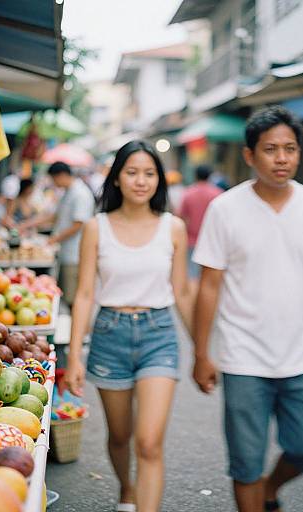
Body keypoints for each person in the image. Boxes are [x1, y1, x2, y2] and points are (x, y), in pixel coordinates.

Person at [191, 106, 303, 512]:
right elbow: (209, 286)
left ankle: (271, 488)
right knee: (245, 463)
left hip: (302, 354)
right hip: (243, 356)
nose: (282, 158)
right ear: (250, 156)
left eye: (290, 149)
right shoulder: (226, 209)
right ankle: (256, 490)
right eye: (270, 149)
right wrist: (201, 353)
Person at [64, 140, 191, 512]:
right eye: (132, 172)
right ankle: (126, 489)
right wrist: (74, 357)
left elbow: (182, 291)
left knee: (148, 442)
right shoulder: (95, 227)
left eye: (149, 173)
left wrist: (202, 350)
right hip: (109, 334)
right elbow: (85, 294)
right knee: (120, 436)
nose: (141, 181)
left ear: (159, 180)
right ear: (117, 178)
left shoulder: (174, 228)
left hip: (159, 335)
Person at [19, 161, 95, 306]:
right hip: (66, 252)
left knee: (73, 297)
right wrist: (27, 224)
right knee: (67, 294)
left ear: (61, 175)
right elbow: (53, 215)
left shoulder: (80, 194)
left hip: (75, 254)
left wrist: (53, 239)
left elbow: (78, 225)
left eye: (53, 179)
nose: (53, 183)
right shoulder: (68, 192)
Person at [178, 165, 222, 279]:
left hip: (191, 240)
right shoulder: (218, 194)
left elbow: (181, 217)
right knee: (209, 276)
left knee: (192, 275)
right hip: (212, 241)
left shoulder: (188, 193)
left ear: (196, 175)